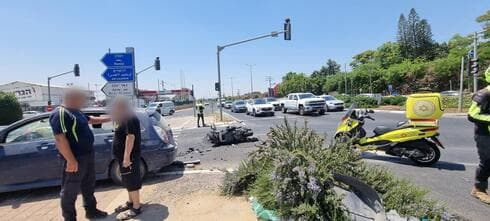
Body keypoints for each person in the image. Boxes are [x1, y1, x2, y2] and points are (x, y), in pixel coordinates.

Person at [49, 88, 111, 221]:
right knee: (69, 191)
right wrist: (71, 160)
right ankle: (70, 218)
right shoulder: (60, 113)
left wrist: (112, 117)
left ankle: (91, 211)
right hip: (75, 158)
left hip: (87, 155)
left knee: (88, 185)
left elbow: (91, 120)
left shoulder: (76, 111)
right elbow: (60, 139)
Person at [111, 97, 143, 220]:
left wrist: (126, 157)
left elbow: (130, 137)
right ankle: (131, 202)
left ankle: (136, 207)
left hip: (129, 157)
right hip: (124, 157)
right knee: (127, 180)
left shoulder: (129, 117)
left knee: (132, 180)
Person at [468, 66, 490, 204]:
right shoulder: (484, 94)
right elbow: (472, 114)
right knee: (487, 162)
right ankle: (479, 189)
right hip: (484, 135)